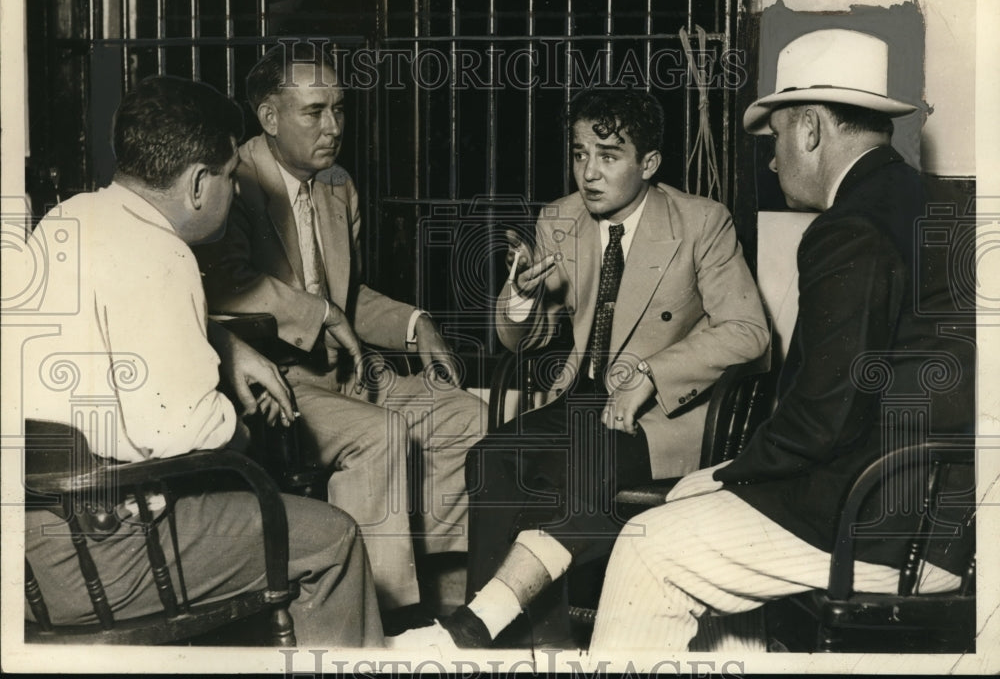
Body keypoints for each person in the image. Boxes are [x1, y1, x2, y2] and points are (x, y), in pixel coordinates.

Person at [587, 28, 976, 652]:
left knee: (648, 547)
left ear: (811, 129)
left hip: (873, 523)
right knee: (700, 526)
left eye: (774, 140)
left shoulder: (848, 228)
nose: (771, 161)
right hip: (945, 519)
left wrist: (731, 474)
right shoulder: (940, 205)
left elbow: (825, 417)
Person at [394, 88, 769, 649]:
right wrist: (520, 300)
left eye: (609, 155)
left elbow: (749, 332)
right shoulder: (561, 219)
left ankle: (495, 636)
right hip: (580, 400)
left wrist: (651, 372)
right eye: (578, 154)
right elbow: (527, 338)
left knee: (570, 476)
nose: (589, 173)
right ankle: (525, 649)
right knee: (492, 460)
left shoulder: (701, 222)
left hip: (659, 417)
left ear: (649, 164)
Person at [22, 75, 383, 646]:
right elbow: (189, 433)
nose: (235, 192)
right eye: (230, 177)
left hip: (25, 547)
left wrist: (220, 340)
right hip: (105, 553)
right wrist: (237, 425)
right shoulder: (166, 254)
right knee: (332, 538)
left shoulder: (67, 218)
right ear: (196, 184)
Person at [194, 43, 487, 612]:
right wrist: (321, 315)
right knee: (381, 434)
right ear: (270, 117)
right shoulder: (236, 179)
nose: (333, 126)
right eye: (315, 111)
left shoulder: (336, 185)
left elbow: (346, 297)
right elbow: (228, 286)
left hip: (345, 375)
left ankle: (440, 590)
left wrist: (416, 323)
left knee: (465, 415)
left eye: (340, 109)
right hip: (280, 383)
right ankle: (379, 610)